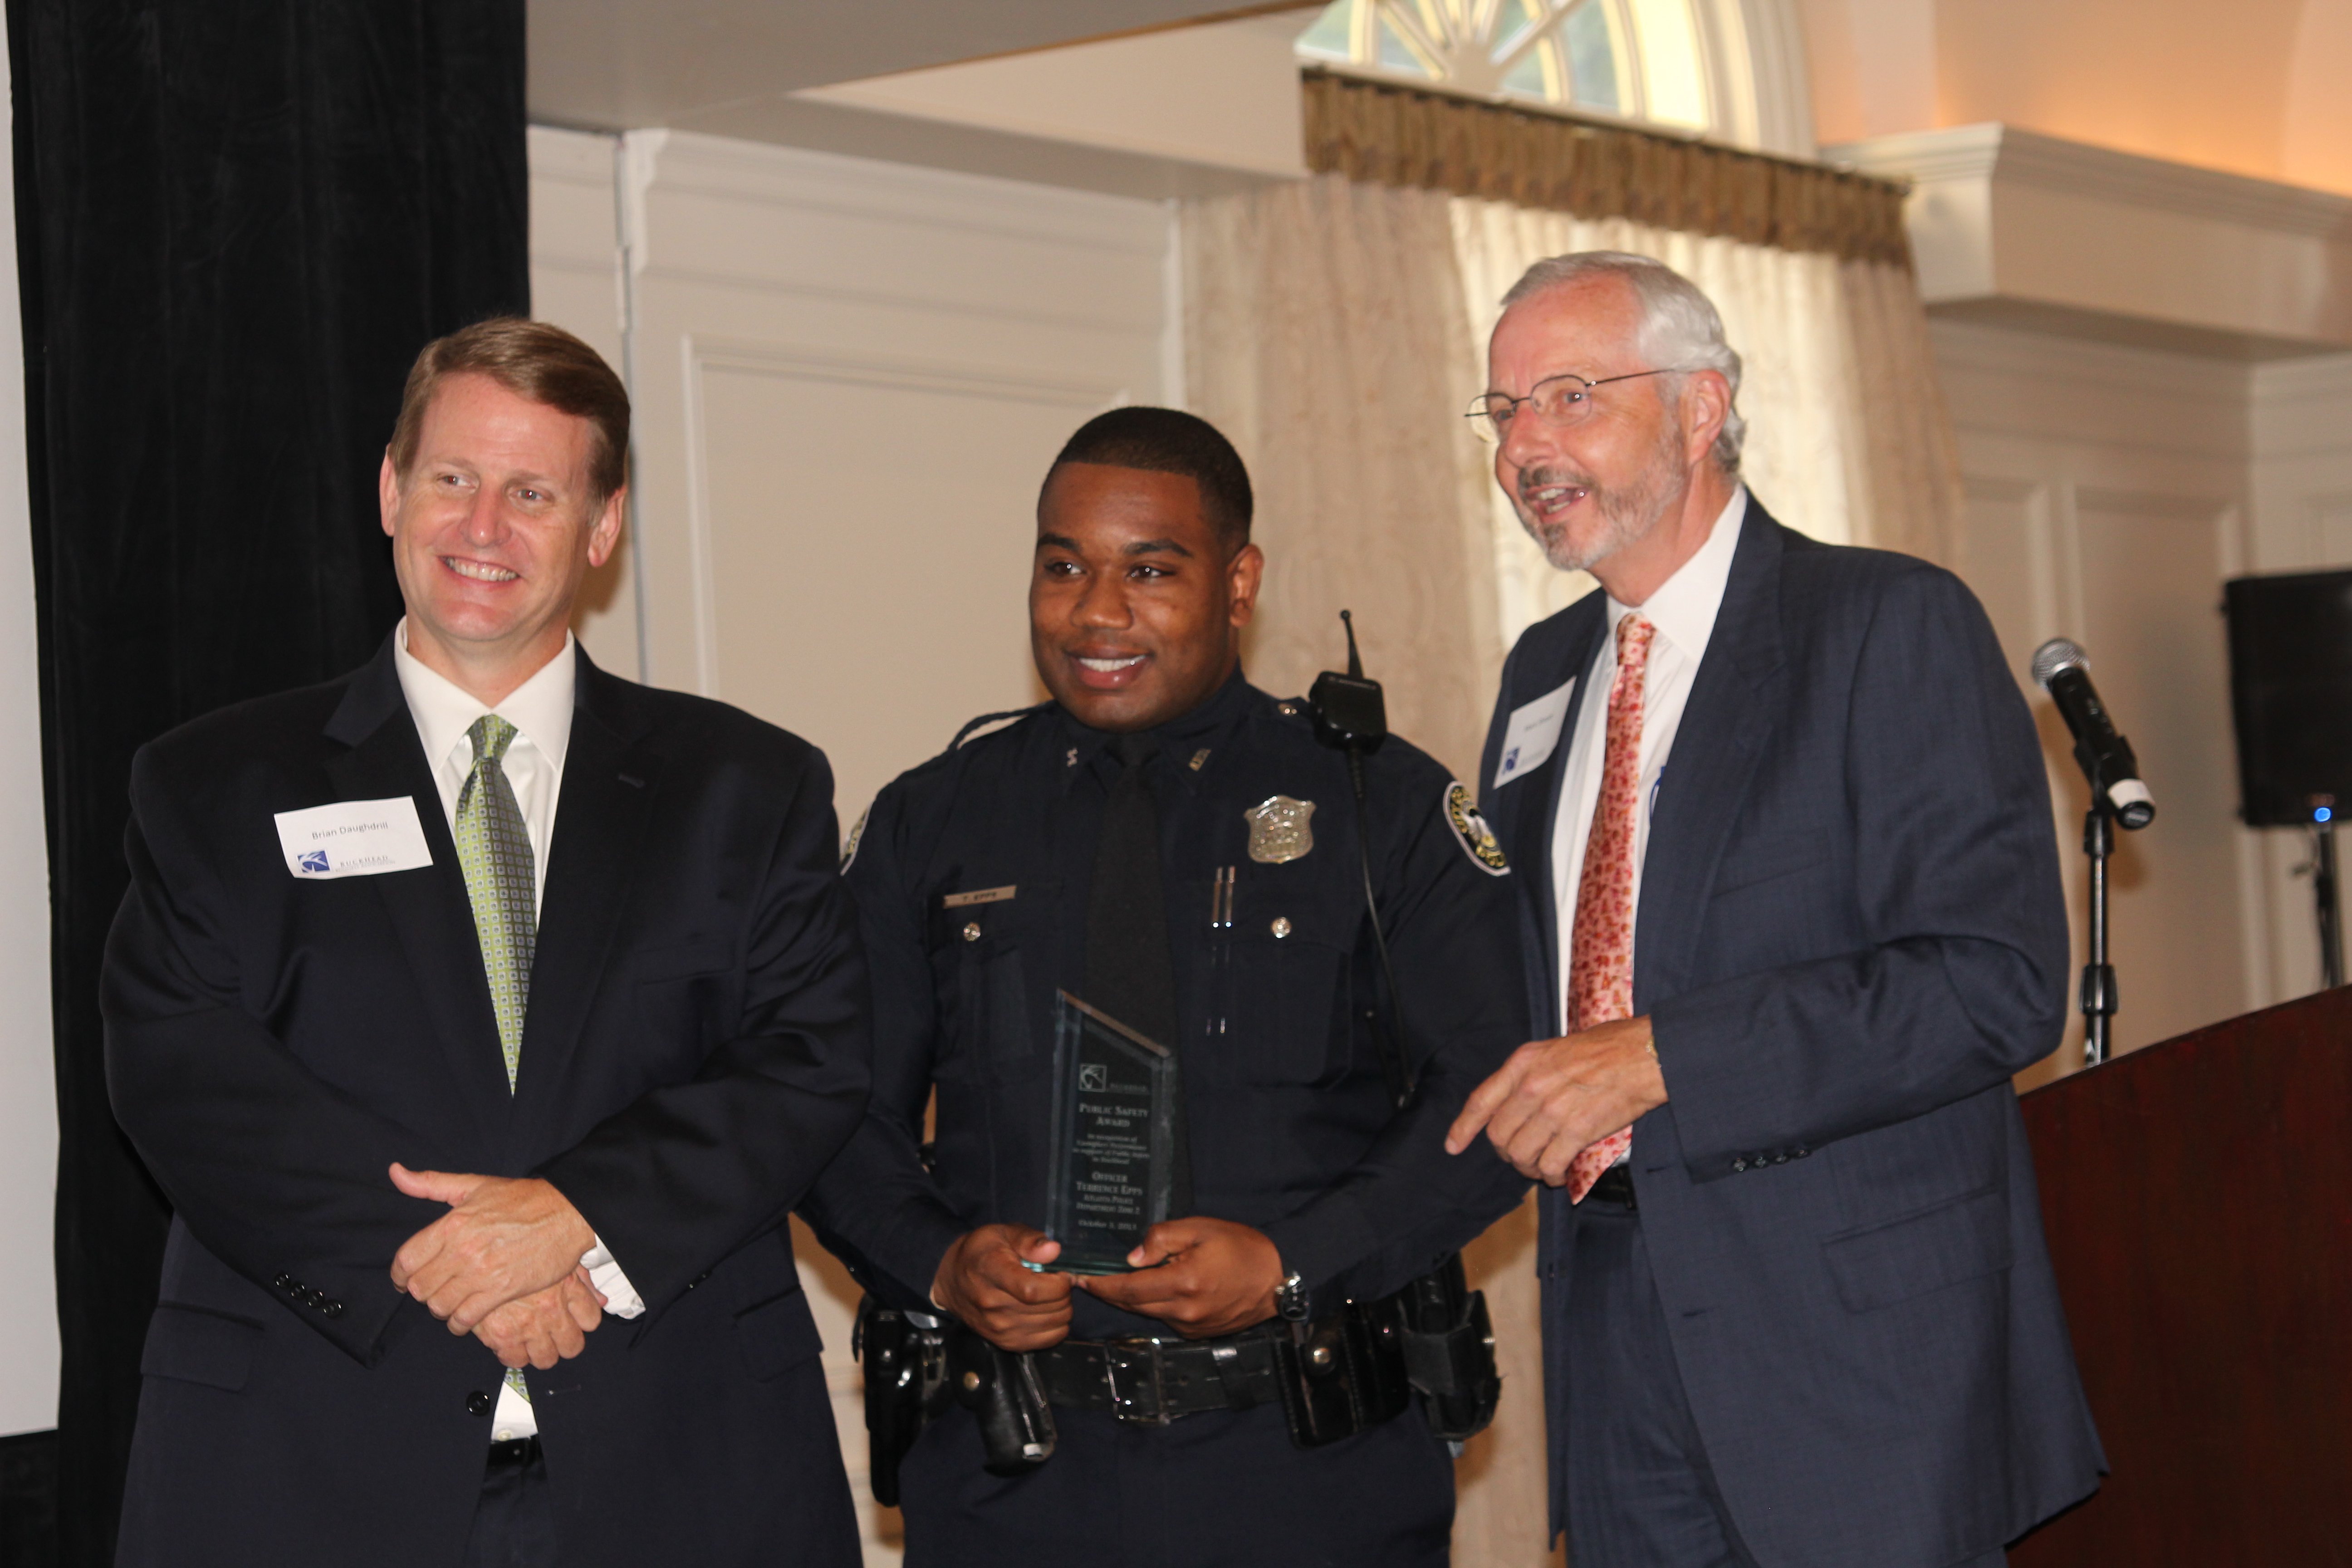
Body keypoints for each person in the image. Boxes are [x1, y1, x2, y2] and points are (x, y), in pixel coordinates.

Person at [102, 318, 869, 1567]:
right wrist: (465, 1263)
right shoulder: (212, 783)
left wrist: (578, 1216)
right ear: (391, 491)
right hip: (305, 1472)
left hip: (686, 1469)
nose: (483, 527)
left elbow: (808, 1062)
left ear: (603, 527)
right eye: (453, 479)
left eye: (533, 493)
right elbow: (183, 1075)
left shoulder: (748, 787)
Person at [1445, 253, 2104, 1568]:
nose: (1525, 448)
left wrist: (1664, 1058)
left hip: (1857, 1361)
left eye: (1570, 396)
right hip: (1615, 1335)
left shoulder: (1885, 623)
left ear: (1700, 408)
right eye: (1505, 410)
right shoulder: (1543, 674)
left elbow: (1994, 981)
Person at [801, 407, 1531, 1568]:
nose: (1097, 612)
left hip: (1310, 1468)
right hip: (1012, 1473)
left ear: (1239, 584)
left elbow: (1497, 1103)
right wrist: (938, 1262)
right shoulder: (931, 820)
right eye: (1063, 568)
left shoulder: (1376, 805)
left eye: (1150, 570)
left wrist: (1295, 1262)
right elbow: (831, 1108)